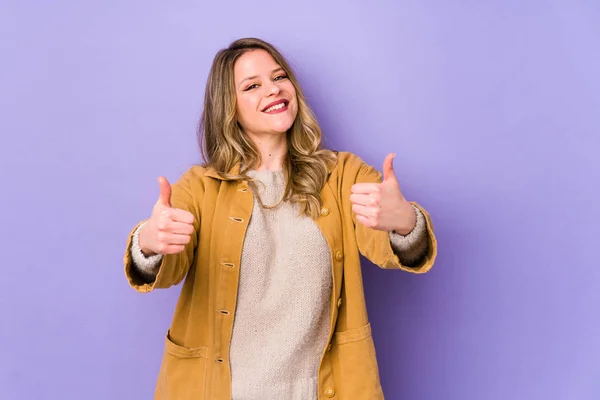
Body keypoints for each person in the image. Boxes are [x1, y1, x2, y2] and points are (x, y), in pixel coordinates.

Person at [123, 37, 437, 400]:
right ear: (230, 107)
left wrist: (405, 223)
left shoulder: (343, 174)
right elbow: (167, 264)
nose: (273, 90)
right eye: (252, 86)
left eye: (279, 77)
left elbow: (387, 245)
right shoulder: (200, 188)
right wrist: (147, 244)